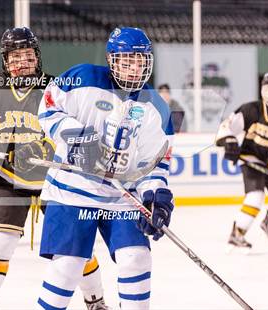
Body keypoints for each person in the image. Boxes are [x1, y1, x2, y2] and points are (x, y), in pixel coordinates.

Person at [0, 27, 108, 310]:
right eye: (14, 57)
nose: (21, 62)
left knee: (74, 250)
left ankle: (95, 301)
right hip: (9, 178)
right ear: (5, 61)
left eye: (26, 55)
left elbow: (79, 127)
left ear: (37, 56)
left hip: (56, 180)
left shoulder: (56, 88)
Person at [35, 27, 174, 309]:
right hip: (72, 191)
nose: (134, 69)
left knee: (136, 258)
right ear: (112, 60)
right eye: (127, 61)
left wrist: (155, 195)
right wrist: (78, 136)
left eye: (140, 62)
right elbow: (48, 110)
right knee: (68, 267)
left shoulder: (156, 107)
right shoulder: (82, 77)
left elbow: (153, 164)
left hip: (122, 197)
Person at [216, 72, 268, 250]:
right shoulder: (250, 109)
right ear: (262, 90)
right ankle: (237, 233)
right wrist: (229, 140)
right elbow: (227, 126)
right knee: (255, 196)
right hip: (251, 159)